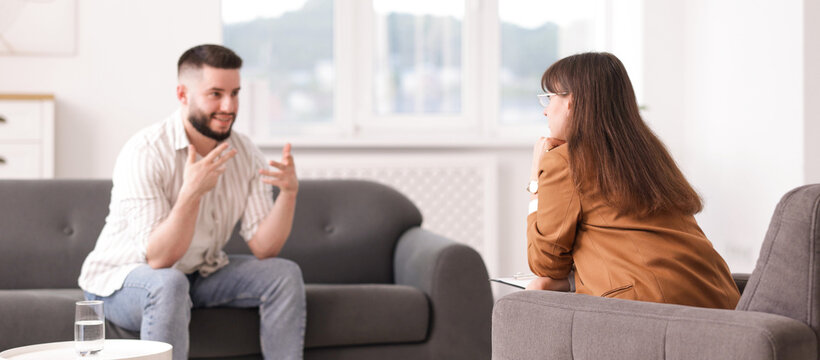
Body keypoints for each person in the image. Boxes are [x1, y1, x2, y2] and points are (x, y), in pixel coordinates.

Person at [78, 44, 306, 359]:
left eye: (235, 93)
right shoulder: (145, 151)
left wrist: (289, 194)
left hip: (197, 273)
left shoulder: (246, 153)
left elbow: (264, 248)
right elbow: (159, 259)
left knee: (283, 274)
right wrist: (192, 192)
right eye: (215, 94)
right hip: (123, 280)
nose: (229, 106)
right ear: (183, 95)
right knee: (168, 283)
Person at [525, 52, 740, 309]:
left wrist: (535, 179)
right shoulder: (646, 152)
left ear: (571, 101)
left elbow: (544, 263)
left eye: (549, 98)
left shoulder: (565, 160)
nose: (546, 111)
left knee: (530, 297)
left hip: (650, 311)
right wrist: (570, 281)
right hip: (721, 300)